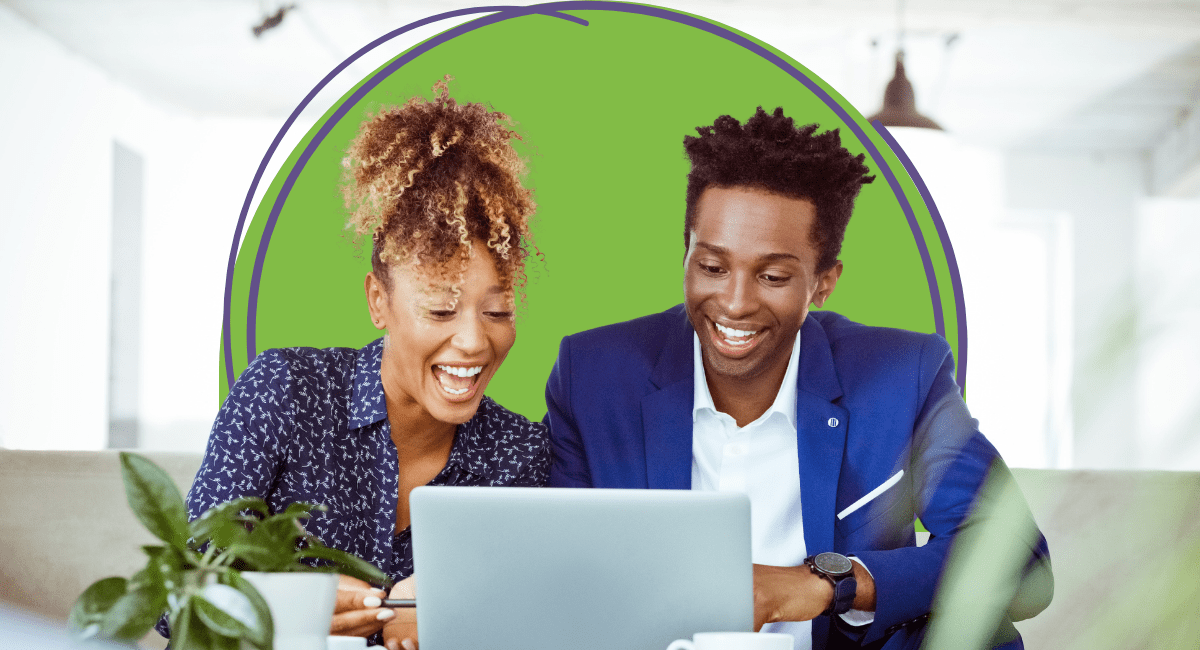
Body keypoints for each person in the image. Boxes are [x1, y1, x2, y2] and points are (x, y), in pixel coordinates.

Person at [544, 107, 1052, 649]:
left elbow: (1021, 563)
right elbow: (562, 574)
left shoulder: (902, 376)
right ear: (686, 254)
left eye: (773, 276)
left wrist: (825, 584)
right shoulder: (594, 373)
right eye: (712, 267)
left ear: (823, 283)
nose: (734, 303)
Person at [167, 77, 549, 650]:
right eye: (441, 309)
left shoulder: (518, 455)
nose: (473, 341)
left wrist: (457, 616)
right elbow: (179, 601)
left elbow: (539, 621)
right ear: (378, 301)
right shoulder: (286, 392)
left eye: (497, 310)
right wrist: (295, 610)